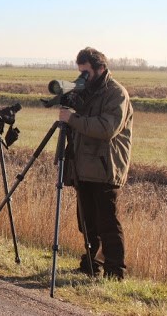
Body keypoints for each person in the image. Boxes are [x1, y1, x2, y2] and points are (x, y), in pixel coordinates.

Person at [59, 47, 133, 280]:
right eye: (80, 72)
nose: (83, 77)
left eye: (86, 72)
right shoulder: (88, 90)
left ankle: (115, 271)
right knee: (87, 221)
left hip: (104, 167)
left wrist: (72, 118)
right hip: (83, 165)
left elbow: (106, 128)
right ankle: (91, 265)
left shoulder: (116, 93)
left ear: (101, 68)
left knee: (107, 223)